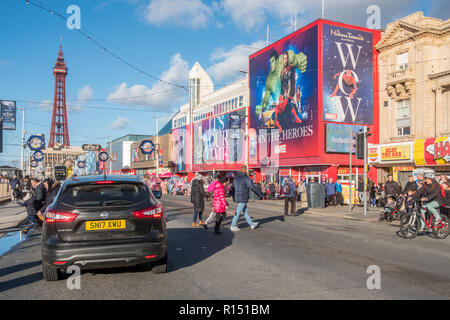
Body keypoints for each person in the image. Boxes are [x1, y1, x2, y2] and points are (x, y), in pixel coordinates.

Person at [230, 165, 263, 232]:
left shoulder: (236, 178)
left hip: (238, 196)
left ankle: (251, 224)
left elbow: (233, 188)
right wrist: (260, 195)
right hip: (243, 196)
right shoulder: (246, 177)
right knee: (238, 211)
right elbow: (252, 187)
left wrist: (233, 196)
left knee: (245, 211)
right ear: (246, 170)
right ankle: (232, 225)